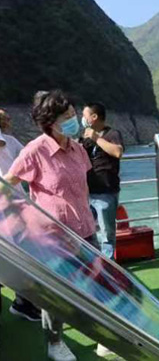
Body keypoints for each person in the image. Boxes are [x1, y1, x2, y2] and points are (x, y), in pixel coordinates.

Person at [4, 90, 99, 361]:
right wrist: (16, 217)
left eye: (73, 114)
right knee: (56, 295)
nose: (73, 120)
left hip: (86, 231)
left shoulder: (78, 149)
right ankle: (55, 343)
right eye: (66, 116)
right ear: (50, 121)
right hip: (53, 236)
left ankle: (102, 335)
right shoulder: (35, 151)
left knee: (94, 288)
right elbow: (9, 182)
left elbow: (82, 186)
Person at [0, 109, 43, 322]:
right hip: (6, 208)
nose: (9, 121)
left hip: (16, 206)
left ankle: (23, 302)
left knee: (22, 256)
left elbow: (29, 159)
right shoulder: (6, 141)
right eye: (5, 118)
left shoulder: (11, 142)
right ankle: (23, 302)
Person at [80, 102, 124, 260]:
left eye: (84, 116)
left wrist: (96, 138)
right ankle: (93, 263)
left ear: (94, 117)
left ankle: (108, 266)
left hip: (106, 192)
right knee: (87, 231)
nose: (82, 119)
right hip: (87, 193)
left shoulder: (112, 134)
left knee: (107, 234)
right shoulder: (85, 138)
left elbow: (118, 152)